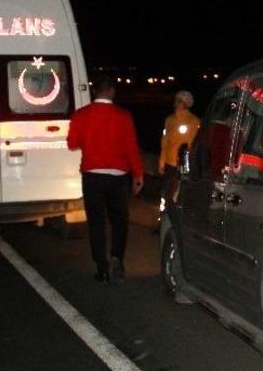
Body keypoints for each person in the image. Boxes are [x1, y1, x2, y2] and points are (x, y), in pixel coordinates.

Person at [67, 76, 144, 282]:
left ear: (95, 92)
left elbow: (71, 143)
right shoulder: (123, 116)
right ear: (111, 91)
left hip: (92, 176)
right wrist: (138, 174)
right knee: (119, 220)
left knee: (96, 222)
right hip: (118, 177)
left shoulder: (81, 115)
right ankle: (117, 256)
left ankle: (101, 266)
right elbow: (131, 147)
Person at [157, 89, 201, 213]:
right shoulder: (169, 120)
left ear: (185, 103)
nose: (175, 103)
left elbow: (195, 145)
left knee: (180, 193)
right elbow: (164, 142)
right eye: (176, 101)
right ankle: (163, 216)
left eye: (178, 101)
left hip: (185, 165)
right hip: (170, 163)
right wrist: (161, 162)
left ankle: (177, 215)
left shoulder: (195, 122)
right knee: (166, 192)